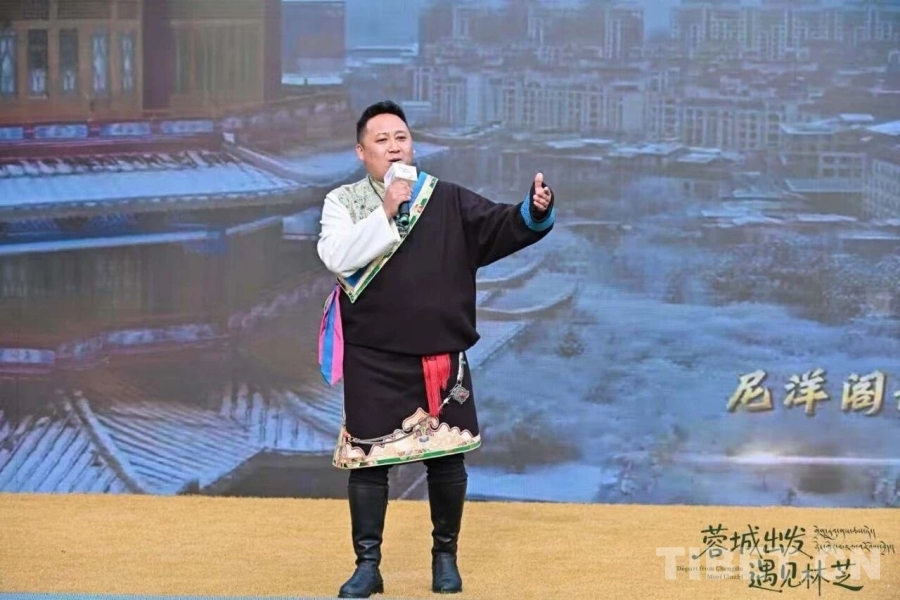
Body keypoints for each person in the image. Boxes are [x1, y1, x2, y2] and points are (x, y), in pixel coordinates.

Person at [316, 100, 556, 598]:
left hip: (439, 354)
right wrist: (386, 209)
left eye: (401, 137)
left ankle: (445, 558)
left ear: (413, 145)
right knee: (369, 463)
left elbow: (497, 225)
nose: (393, 147)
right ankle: (367, 566)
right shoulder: (343, 203)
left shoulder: (445, 199)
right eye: (381, 140)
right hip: (372, 356)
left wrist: (534, 211)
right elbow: (336, 257)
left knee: (446, 461)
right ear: (361, 152)